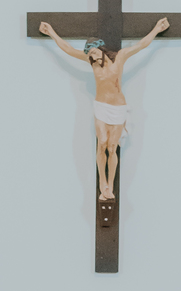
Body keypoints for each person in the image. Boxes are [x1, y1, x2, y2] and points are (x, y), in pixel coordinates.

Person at [39, 17, 169, 200]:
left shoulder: (120, 58)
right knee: (101, 144)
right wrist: (51, 33)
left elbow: (141, 45)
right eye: (89, 54)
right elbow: (68, 49)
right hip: (101, 106)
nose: (91, 56)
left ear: (101, 49)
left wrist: (156, 29)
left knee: (112, 146)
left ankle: (111, 185)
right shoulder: (91, 63)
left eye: (93, 52)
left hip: (118, 107)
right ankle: (103, 185)